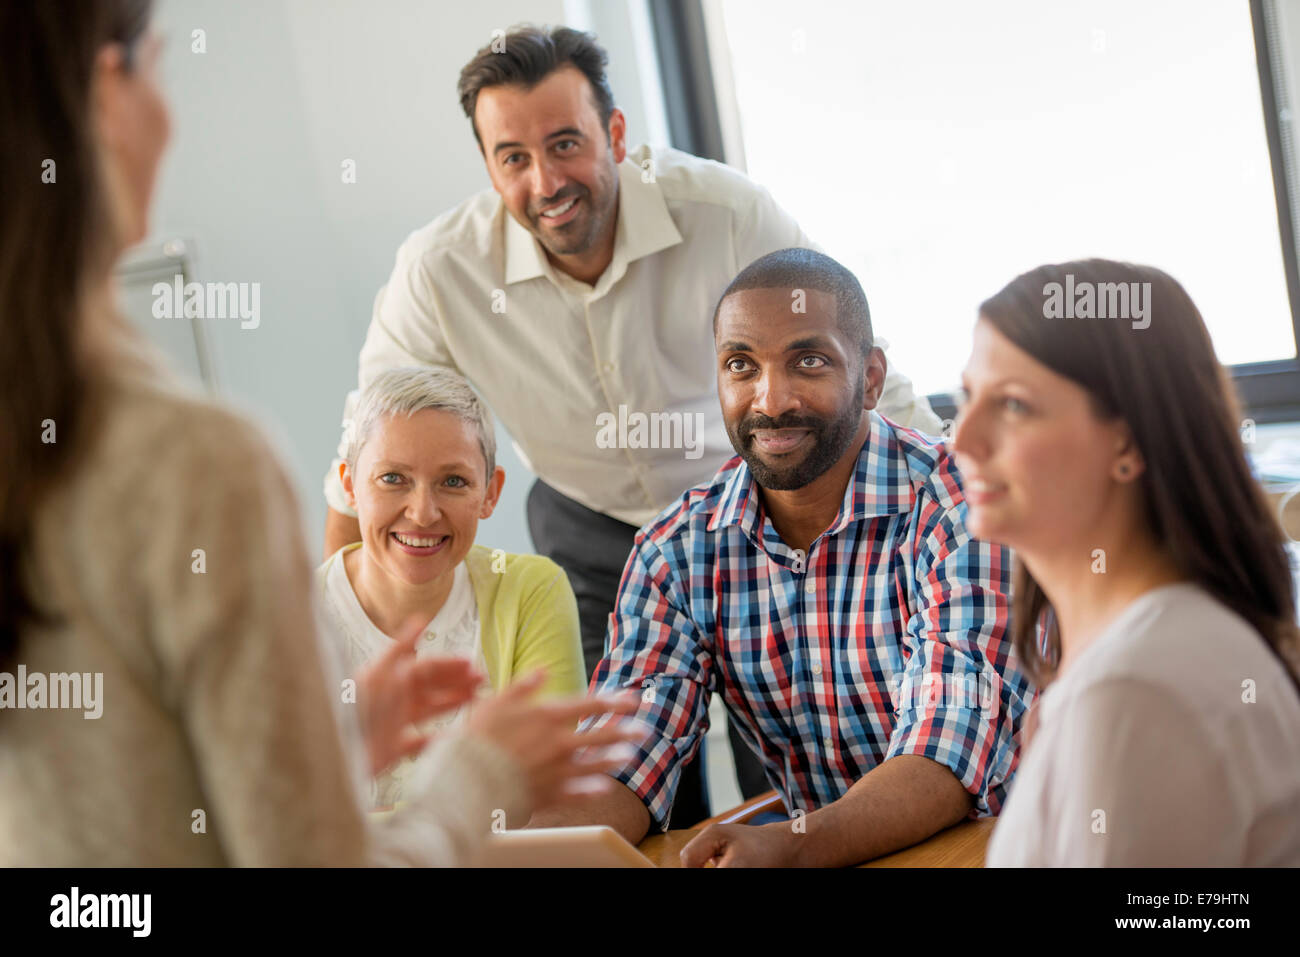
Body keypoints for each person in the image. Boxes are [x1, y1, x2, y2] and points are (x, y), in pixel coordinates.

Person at [0, 0, 639, 867]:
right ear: (113, 97)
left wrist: (329, 745)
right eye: (159, 64)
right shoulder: (199, 464)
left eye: (453, 480)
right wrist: (478, 772)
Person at [320, 24, 944, 824]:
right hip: (593, 530)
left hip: (754, 517)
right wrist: (334, 622)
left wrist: (961, 491)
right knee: (633, 777)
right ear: (487, 165)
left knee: (796, 766)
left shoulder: (723, 212)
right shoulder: (440, 270)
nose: (545, 180)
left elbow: (853, 360)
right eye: (513, 156)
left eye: (566, 144)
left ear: (616, 134)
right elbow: (370, 437)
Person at [530, 248, 1036, 866]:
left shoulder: (964, 505)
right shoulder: (677, 550)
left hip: (1010, 847)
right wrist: (517, 849)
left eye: (809, 361)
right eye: (741, 365)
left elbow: (949, 750)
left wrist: (792, 847)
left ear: (872, 377)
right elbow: (623, 758)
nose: (771, 400)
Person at [956, 260, 1300, 866]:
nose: (962, 439)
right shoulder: (1150, 649)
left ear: (1128, 440)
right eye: (967, 397)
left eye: (1013, 404)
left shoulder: (1132, 690)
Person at [322, 366, 587, 808]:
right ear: (349, 485)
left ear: (489, 492)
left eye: (453, 481)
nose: (423, 513)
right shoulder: (287, 617)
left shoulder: (532, 592)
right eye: (393, 478)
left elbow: (543, 802)